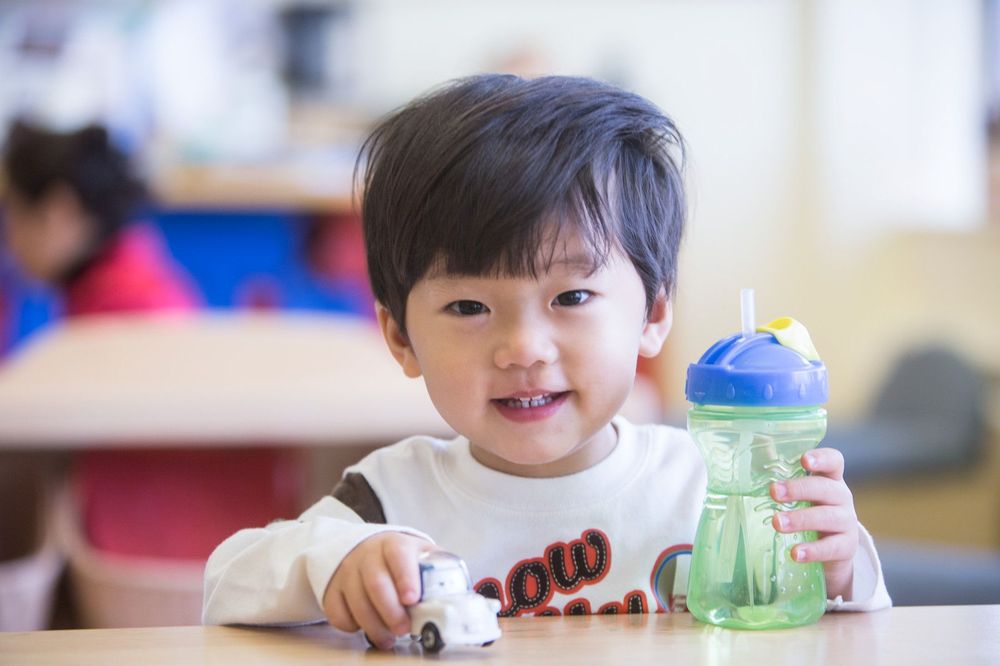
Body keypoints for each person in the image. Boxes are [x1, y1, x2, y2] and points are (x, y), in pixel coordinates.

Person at [202, 75, 891, 648]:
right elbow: (226, 581)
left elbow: (862, 633)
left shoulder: (708, 486)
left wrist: (836, 568)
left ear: (653, 314)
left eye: (571, 295)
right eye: (469, 307)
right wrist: (336, 560)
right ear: (400, 338)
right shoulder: (388, 499)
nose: (524, 348)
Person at [1, 121, 300, 561]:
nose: (9, 239)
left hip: (146, 537)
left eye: (14, 214)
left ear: (59, 212)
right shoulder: (136, 270)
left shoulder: (110, 314)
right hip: (197, 531)